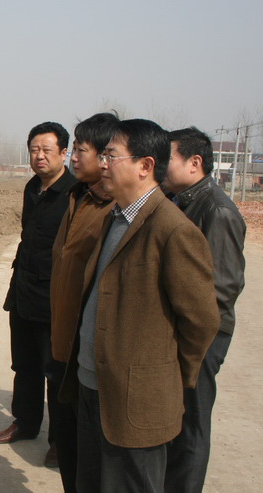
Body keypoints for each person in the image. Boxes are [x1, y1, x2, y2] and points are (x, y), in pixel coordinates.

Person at [60, 118, 220, 493]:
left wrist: (164, 380)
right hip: (91, 385)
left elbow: (201, 321)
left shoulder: (173, 230)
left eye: (111, 156)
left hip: (135, 402)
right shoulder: (114, 218)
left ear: (145, 166)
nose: (102, 164)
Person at [163, 127, 246, 493]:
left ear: (194, 162)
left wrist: (190, 336)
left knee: (192, 424)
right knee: (175, 418)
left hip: (204, 336)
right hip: (183, 329)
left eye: (168, 158)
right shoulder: (179, 200)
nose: (161, 166)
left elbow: (222, 289)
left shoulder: (217, 210)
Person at [0, 122, 76, 470]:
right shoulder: (32, 188)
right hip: (24, 290)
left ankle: (60, 441)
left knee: (55, 373)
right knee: (24, 365)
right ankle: (25, 422)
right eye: (34, 150)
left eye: (46, 150)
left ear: (64, 153)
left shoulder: (75, 193)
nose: (39, 156)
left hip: (54, 298)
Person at [49, 112, 119, 491]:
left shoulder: (115, 211)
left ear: (106, 156)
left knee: (90, 456)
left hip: (86, 353)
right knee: (67, 444)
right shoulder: (77, 197)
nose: (73, 158)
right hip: (61, 345)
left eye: (81, 150)